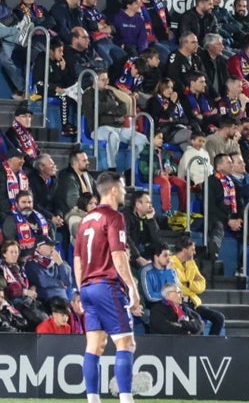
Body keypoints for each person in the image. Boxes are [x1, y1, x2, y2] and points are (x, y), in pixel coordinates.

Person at [76, 170, 142, 403]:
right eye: (123, 187)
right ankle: (126, 400)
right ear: (113, 190)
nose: (125, 192)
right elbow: (118, 255)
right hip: (107, 285)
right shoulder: (114, 218)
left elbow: (77, 259)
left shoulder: (85, 219)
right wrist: (132, 288)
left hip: (87, 286)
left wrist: (80, 289)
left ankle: (93, 400)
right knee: (126, 343)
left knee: (95, 345)